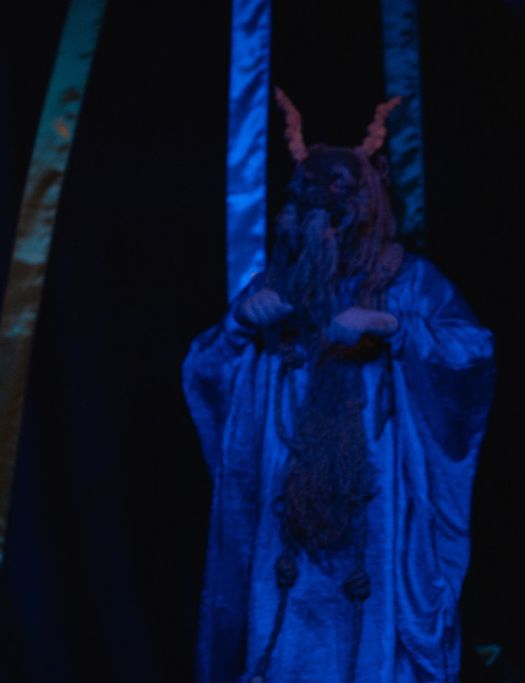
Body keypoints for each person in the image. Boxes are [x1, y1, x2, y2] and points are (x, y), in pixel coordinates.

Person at [181, 91, 494, 683]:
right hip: (286, 502)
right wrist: (240, 323)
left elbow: (472, 353)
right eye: (310, 202)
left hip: (376, 498)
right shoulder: (274, 285)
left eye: (337, 200)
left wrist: (393, 325)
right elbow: (205, 372)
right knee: (284, 621)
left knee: (367, 617)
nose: (324, 218)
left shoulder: (407, 281)